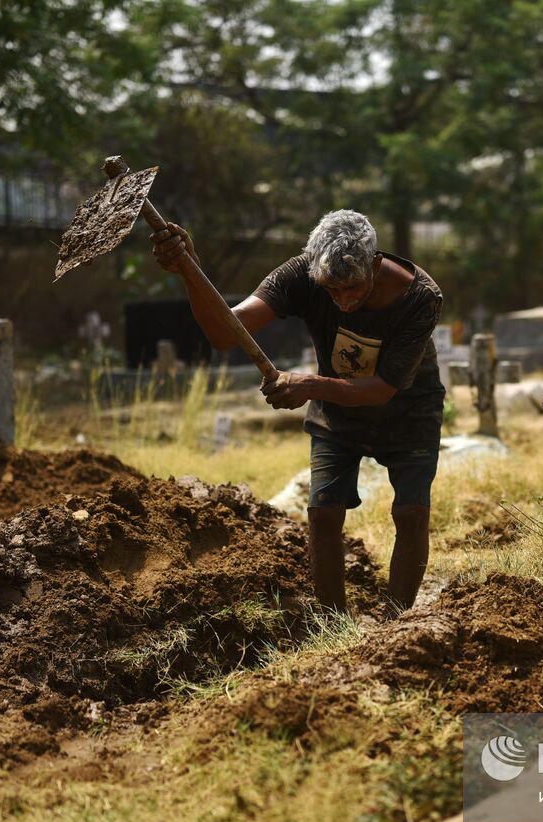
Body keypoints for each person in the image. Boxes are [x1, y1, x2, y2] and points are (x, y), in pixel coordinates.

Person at [150, 210, 444, 616]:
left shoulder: (421, 297)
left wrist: (309, 386)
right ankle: (333, 624)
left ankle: (398, 622)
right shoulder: (301, 274)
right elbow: (225, 331)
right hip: (337, 412)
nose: (342, 301)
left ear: (375, 265)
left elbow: (383, 390)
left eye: (353, 289)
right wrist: (190, 270)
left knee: (410, 511)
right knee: (323, 513)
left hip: (409, 411)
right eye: (331, 291)